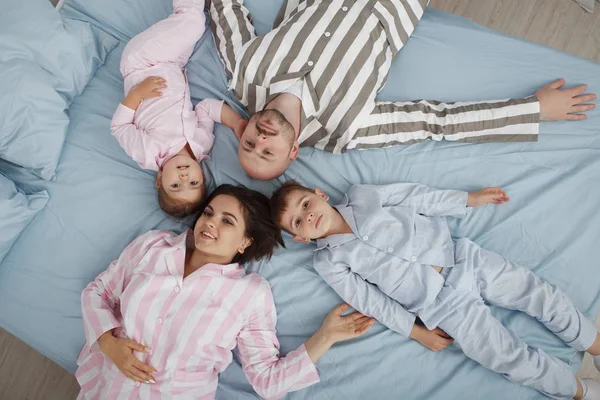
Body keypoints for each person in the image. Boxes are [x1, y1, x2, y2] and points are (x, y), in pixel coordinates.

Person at [270, 180, 600, 399]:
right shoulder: (329, 261)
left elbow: (417, 196)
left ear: (319, 194)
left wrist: (466, 200)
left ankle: (595, 344)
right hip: (441, 306)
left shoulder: (363, 195)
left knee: (533, 291)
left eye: (305, 203)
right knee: (504, 356)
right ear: (301, 239)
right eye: (297, 222)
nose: (307, 215)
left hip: (463, 259)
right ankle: (578, 391)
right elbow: (370, 301)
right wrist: (416, 332)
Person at [208, 0, 597, 180]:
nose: (261, 140)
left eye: (250, 145)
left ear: (243, 131)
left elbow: (225, 10)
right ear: (292, 152)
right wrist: (533, 110)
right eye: (268, 153)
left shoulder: (243, 73)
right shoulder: (346, 130)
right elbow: (437, 122)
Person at [75, 184, 375, 399]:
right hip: (105, 389)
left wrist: (326, 336)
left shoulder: (250, 294)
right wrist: (107, 342)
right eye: (208, 212)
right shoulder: (154, 246)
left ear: (245, 242)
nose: (209, 223)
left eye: (227, 221)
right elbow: (97, 292)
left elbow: (267, 382)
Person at [112, 0, 247, 217]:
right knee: (197, 27)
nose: (184, 178)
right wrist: (237, 123)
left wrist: (136, 94)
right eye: (193, 182)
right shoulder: (202, 143)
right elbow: (206, 108)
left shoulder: (149, 153)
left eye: (175, 186)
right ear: (202, 176)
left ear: (159, 179)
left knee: (193, 21)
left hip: (143, 64)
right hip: (175, 65)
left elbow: (119, 127)